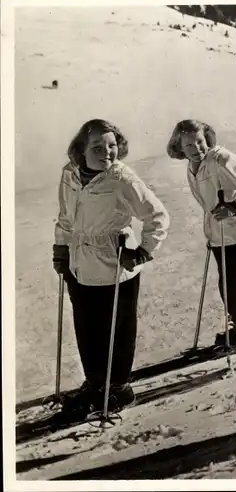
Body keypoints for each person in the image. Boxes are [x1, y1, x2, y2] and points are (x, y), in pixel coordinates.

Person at [53, 119, 170, 421]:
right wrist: (61, 250)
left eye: (112, 146)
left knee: (115, 332)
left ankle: (119, 388)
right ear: (80, 150)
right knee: (86, 330)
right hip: (79, 264)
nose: (107, 153)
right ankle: (94, 384)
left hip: (114, 265)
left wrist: (143, 252)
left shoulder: (121, 178)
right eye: (97, 147)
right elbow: (66, 218)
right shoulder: (70, 175)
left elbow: (157, 215)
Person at [167, 119, 236, 348]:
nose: (197, 148)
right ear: (179, 147)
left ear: (207, 138)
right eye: (189, 145)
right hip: (220, 235)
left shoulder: (221, 158)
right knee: (228, 287)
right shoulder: (193, 166)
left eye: (200, 142)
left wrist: (233, 206)